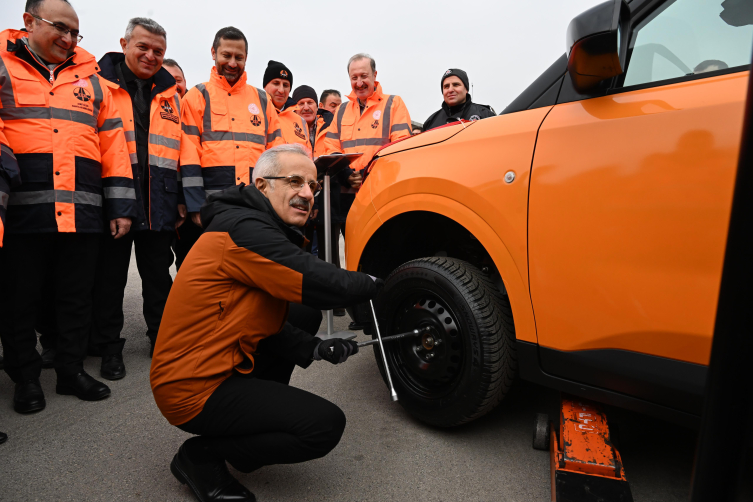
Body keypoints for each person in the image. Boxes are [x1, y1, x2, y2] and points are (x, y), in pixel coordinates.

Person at [151, 143, 379, 502]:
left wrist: (314, 347)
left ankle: (250, 424)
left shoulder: (252, 223)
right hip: (192, 387)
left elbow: (261, 318)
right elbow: (316, 280)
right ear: (261, 186)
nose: (307, 193)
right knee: (323, 426)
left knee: (301, 314)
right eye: (294, 181)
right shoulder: (244, 231)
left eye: (313, 186)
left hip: (222, 361)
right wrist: (380, 285)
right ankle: (202, 455)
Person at [0, 0, 137, 413]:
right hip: (23, 211)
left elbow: (114, 146)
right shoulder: (4, 68)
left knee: (76, 297)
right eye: (60, 28)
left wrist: (120, 207)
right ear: (28, 22)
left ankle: (70, 371)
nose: (69, 39)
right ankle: (25, 378)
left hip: (82, 212)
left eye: (75, 32)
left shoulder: (93, 80)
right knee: (20, 299)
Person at [88, 17, 183, 372]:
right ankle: (109, 348)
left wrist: (178, 200)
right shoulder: (98, 85)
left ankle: (164, 340)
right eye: (142, 47)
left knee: (158, 277)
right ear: (124, 43)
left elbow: (178, 150)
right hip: (116, 198)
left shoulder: (171, 94)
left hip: (158, 200)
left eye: (158, 50)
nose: (150, 55)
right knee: (110, 279)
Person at [175, 26, 283, 269]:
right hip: (211, 205)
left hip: (255, 204)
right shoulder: (197, 96)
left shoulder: (261, 99)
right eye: (226, 55)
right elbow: (189, 154)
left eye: (239, 57)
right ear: (214, 53)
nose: (233, 63)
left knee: (250, 272)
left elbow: (276, 152)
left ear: (246, 57)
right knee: (207, 272)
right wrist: (194, 205)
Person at [422, 68, 495, 132]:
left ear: (466, 89)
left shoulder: (486, 115)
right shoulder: (430, 122)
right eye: (446, 86)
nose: (450, 90)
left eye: (456, 85)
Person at [263, 60, 309, 149]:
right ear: (265, 86)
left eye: (285, 85)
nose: (281, 90)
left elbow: (308, 156)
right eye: (276, 83)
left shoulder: (300, 121)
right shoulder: (255, 113)